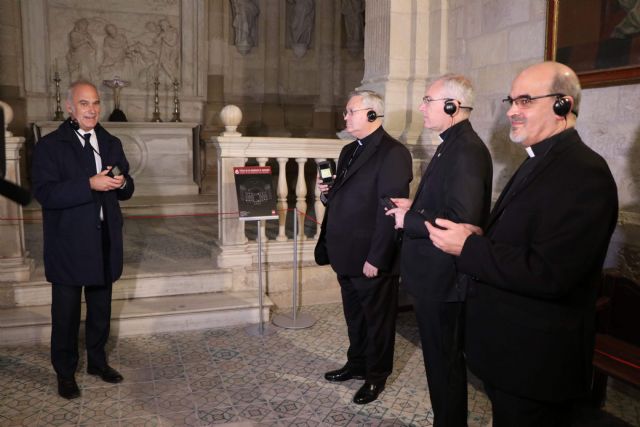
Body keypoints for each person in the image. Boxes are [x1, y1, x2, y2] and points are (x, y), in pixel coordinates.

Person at [426, 61, 619, 426]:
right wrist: (480, 238)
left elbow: (552, 273)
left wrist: (469, 248)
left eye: (526, 101)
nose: (512, 111)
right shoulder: (538, 159)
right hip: (511, 354)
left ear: (562, 104)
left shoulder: (584, 172)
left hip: (537, 362)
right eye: (511, 100)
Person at [386, 74, 492, 426]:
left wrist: (409, 221)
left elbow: (460, 222)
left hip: (445, 280)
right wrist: (413, 207)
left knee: (444, 364)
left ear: (452, 106)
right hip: (433, 276)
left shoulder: (467, 150)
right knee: (438, 362)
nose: (421, 107)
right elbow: (444, 206)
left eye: (427, 101)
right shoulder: (452, 143)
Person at [32, 81, 135, 399]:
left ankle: (98, 362)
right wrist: (88, 183)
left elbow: (128, 187)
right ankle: (65, 372)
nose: (91, 109)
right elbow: (45, 193)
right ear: (70, 108)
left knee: (101, 308)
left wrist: (121, 183)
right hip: (68, 244)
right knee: (65, 314)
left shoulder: (111, 141)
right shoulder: (50, 146)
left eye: (95, 103)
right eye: (84, 103)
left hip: (104, 241)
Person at [316, 90, 412, 404]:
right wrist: (326, 194)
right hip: (345, 253)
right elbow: (343, 197)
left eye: (350, 111)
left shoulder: (394, 153)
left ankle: (376, 377)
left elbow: (390, 210)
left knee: (378, 321)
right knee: (355, 317)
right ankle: (356, 364)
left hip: (370, 256)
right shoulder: (347, 151)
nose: (345, 117)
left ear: (372, 114)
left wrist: (377, 257)